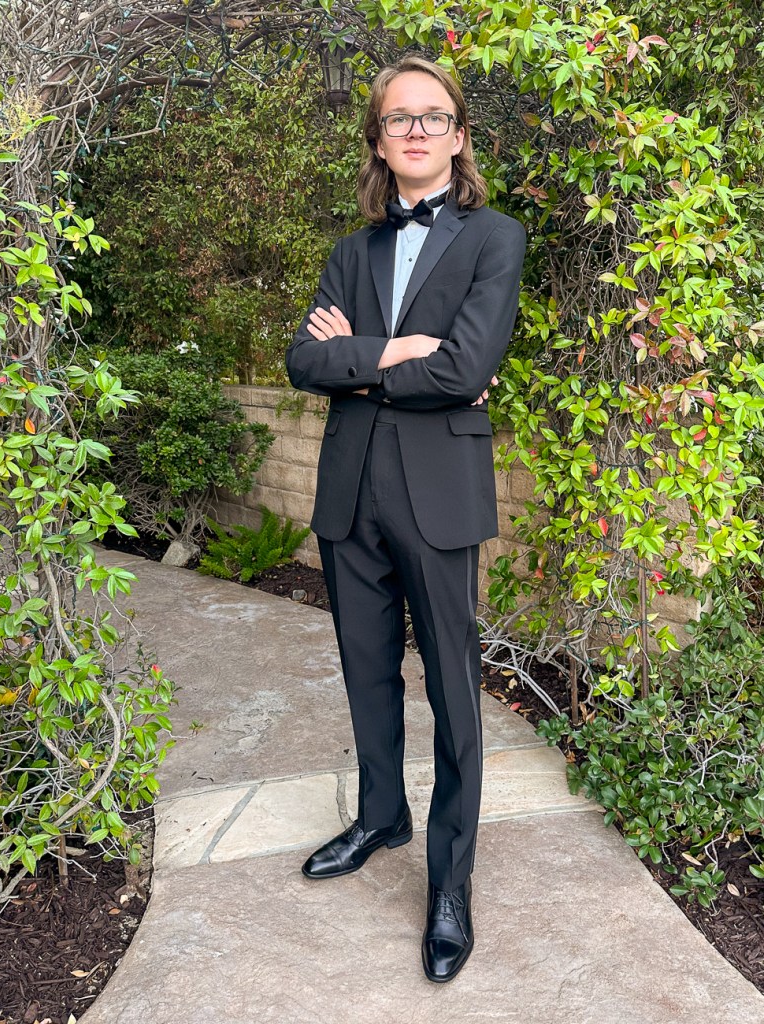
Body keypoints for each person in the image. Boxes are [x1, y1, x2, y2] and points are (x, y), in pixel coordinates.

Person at [285, 53, 526, 983]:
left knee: (454, 691)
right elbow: (304, 364)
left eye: (433, 116)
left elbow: (466, 368)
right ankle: (381, 815)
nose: (416, 130)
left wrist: (359, 358)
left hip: (439, 495)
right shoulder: (352, 252)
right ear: (379, 142)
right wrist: (395, 351)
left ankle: (450, 881)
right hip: (350, 493)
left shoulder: (494, 238)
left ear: (458, 136)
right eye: (399, 118)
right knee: (367, 672)